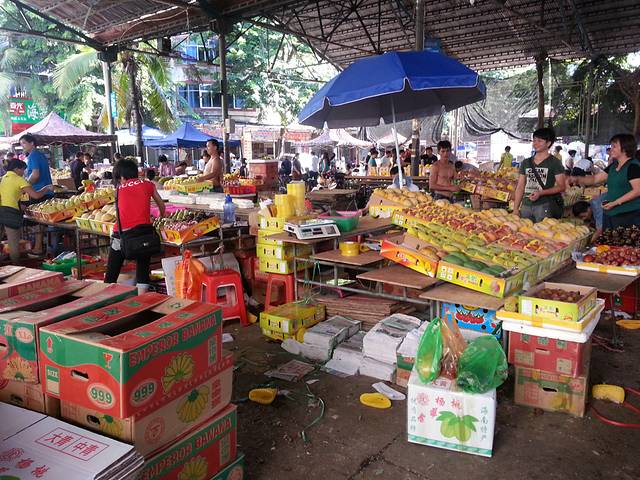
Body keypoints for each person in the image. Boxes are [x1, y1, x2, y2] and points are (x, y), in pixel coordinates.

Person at [104, 158, 165, 293]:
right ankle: (141, 299)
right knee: (143, 266)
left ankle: (107, 295)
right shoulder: (148, 184)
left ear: (121, 177)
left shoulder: (118, 190)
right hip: (144, 233)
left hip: (122, 236)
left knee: (111, 273)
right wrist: (160, 218)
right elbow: (161, 205)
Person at [568, 134, 640, 229]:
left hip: (627, 215)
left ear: (625, 148)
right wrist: (578, 179)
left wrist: (616, 202)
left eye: (614, 146)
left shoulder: (633, 166)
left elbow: (637, 190)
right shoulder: (613, 166)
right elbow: (595, 179)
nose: (611, 149)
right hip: (610, 213)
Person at [0, 159, 53, 263]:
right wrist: (46, 188)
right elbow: (36, 195)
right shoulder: (19, 179)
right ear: (16, 169)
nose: (23, 173)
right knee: (13, 243)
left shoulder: (3, 178)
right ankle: (16, 267)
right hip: (10, 213)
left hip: (1, 210)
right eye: (23, 170)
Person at [513, 127, 566, 223]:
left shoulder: (554, 162)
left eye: (539, 141)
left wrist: (541, 193)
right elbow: (520, 187)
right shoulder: (526, 162)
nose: (535, 143)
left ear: (548, 143)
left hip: (544, 206)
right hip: (526, 206)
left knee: (542, 231)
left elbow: (561, 186)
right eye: (534, 140)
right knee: (524, 231)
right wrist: (516, 208)